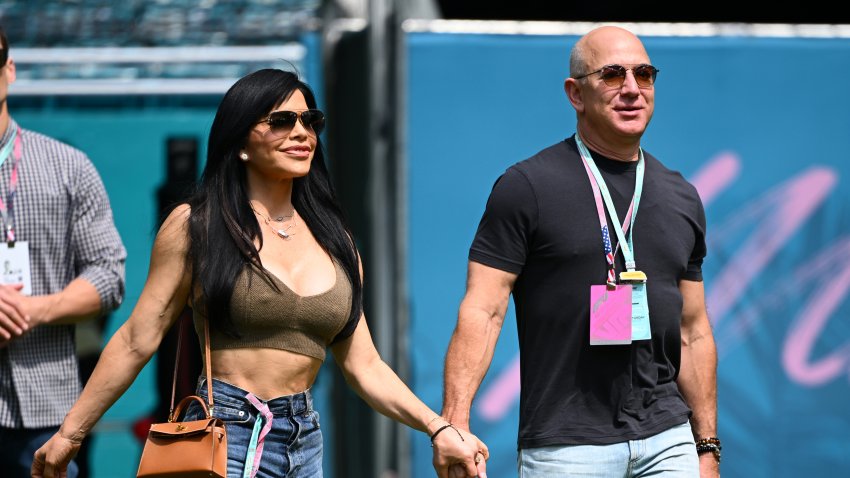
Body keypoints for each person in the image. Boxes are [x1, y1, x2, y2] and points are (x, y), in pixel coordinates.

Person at [32, 68, 488, 478]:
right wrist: (71, 433)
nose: (302, 132)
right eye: (282, 121)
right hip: (225, 434)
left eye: (310, 121)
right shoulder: (197, 225)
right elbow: (138, 338)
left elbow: (364, 366)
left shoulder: (337, 241)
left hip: (304, 440)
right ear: (241, 141)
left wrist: (438, 427)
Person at [440, 26, 719, 477]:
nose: (631, 88)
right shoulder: (527, 186)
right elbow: (484, 310)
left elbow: (693, 330)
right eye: (612, 75)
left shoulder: (680, 194)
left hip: (669, 437)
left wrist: (706, 446)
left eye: (643, 74)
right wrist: (454, 424)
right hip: (567, 446)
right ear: (575, 93)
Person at [0, 25, 126, 478]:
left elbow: (109, 276)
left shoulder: (68, 168)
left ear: (9, 69)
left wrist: (32, 310)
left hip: (46, 408)